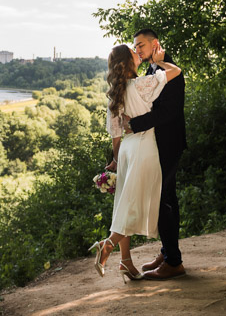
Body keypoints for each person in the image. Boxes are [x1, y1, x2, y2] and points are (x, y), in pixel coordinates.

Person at [90, 43, 181, 282]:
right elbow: (176, 71)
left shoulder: (115, 93)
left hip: (127, 148)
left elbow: (116, 133)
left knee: (124, 201)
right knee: (134, 202)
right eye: (134, 53)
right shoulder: (142, 84)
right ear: (129, 63)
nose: (137, 53)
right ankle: (108, 245)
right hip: (143, 146)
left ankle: (126, 261)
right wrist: (159, 60)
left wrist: (116, 159)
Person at [123, 28, 187, 281]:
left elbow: (169, 112)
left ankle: (173, 262)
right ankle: (169, 253)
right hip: (158, 144)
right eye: (135, 46)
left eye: (141, 45)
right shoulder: (152, 69)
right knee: (168, 198)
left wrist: (134, 125)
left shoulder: (170, 69)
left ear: (155, 44)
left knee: (161, 201)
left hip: (168, 143)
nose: (137, 50)